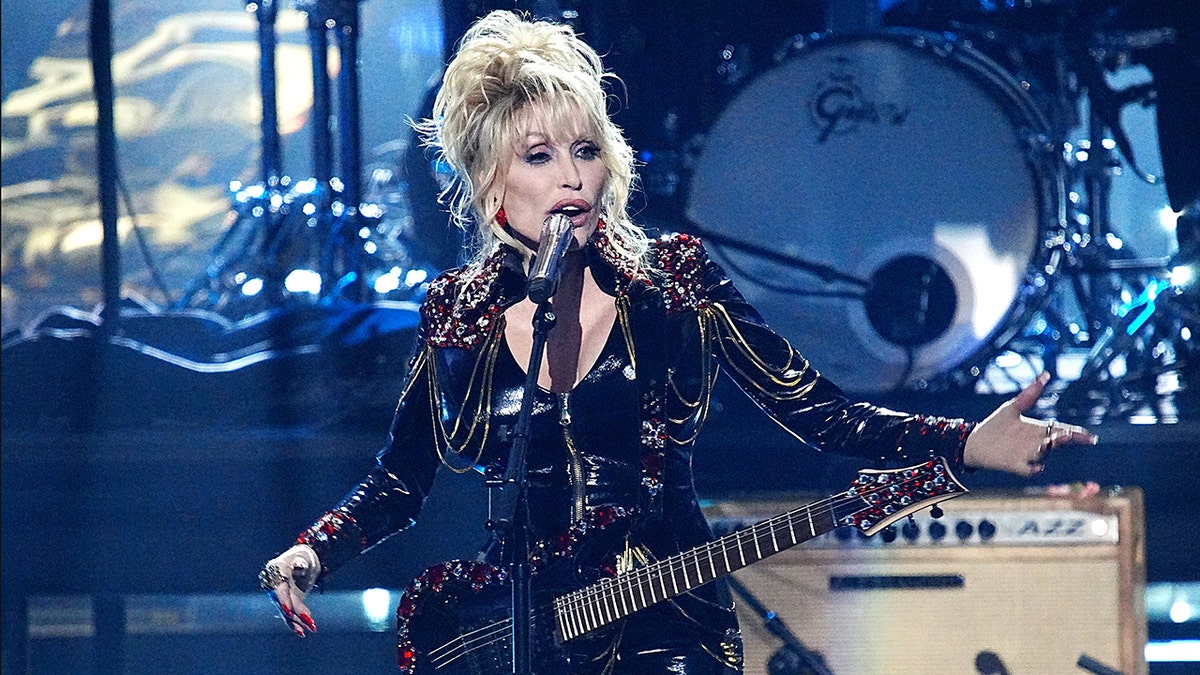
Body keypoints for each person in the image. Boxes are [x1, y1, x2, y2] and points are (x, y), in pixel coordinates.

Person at [260, 10, 1098, 673]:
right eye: (541, 154)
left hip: (668, 626)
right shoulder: (457, 312)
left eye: (587, 150)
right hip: (511, 634)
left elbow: (820, 415)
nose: (572, 175)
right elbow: (401, 478)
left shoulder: (675, 282)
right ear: (489, 186)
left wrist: (963, 443)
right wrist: (314, 548)